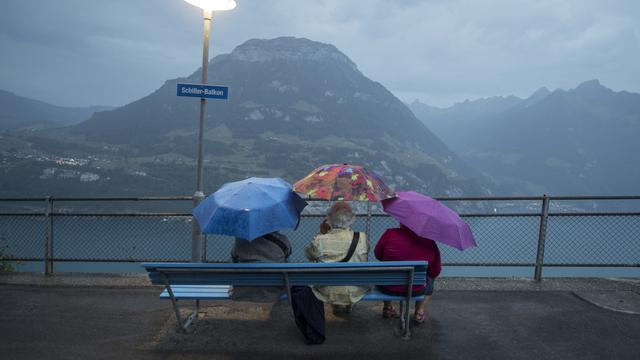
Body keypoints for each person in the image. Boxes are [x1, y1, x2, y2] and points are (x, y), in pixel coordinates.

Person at [304, 201, 369, 316]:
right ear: (351, 219)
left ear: (328, 219)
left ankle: (337, 302)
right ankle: (346, 302)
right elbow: (364, 254)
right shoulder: (362, 238)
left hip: (327, 290)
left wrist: (322, 233)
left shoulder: (320, 240)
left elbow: (309, 255)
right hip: (355, 289)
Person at [374, 224, 441, 324]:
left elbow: (378, 255)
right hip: (416, 290)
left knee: (385, 270)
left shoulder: (390, 234)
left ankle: (388, 308)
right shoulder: (429, 241)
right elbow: (435, 271)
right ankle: (419, 312)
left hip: (387, 288)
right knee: (430, 278)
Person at [230, 231, 291, 302]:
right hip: (274, 293)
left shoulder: (240, 240)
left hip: (243, 292)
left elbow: (234, 259)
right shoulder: (282, 240)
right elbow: (287, 256)